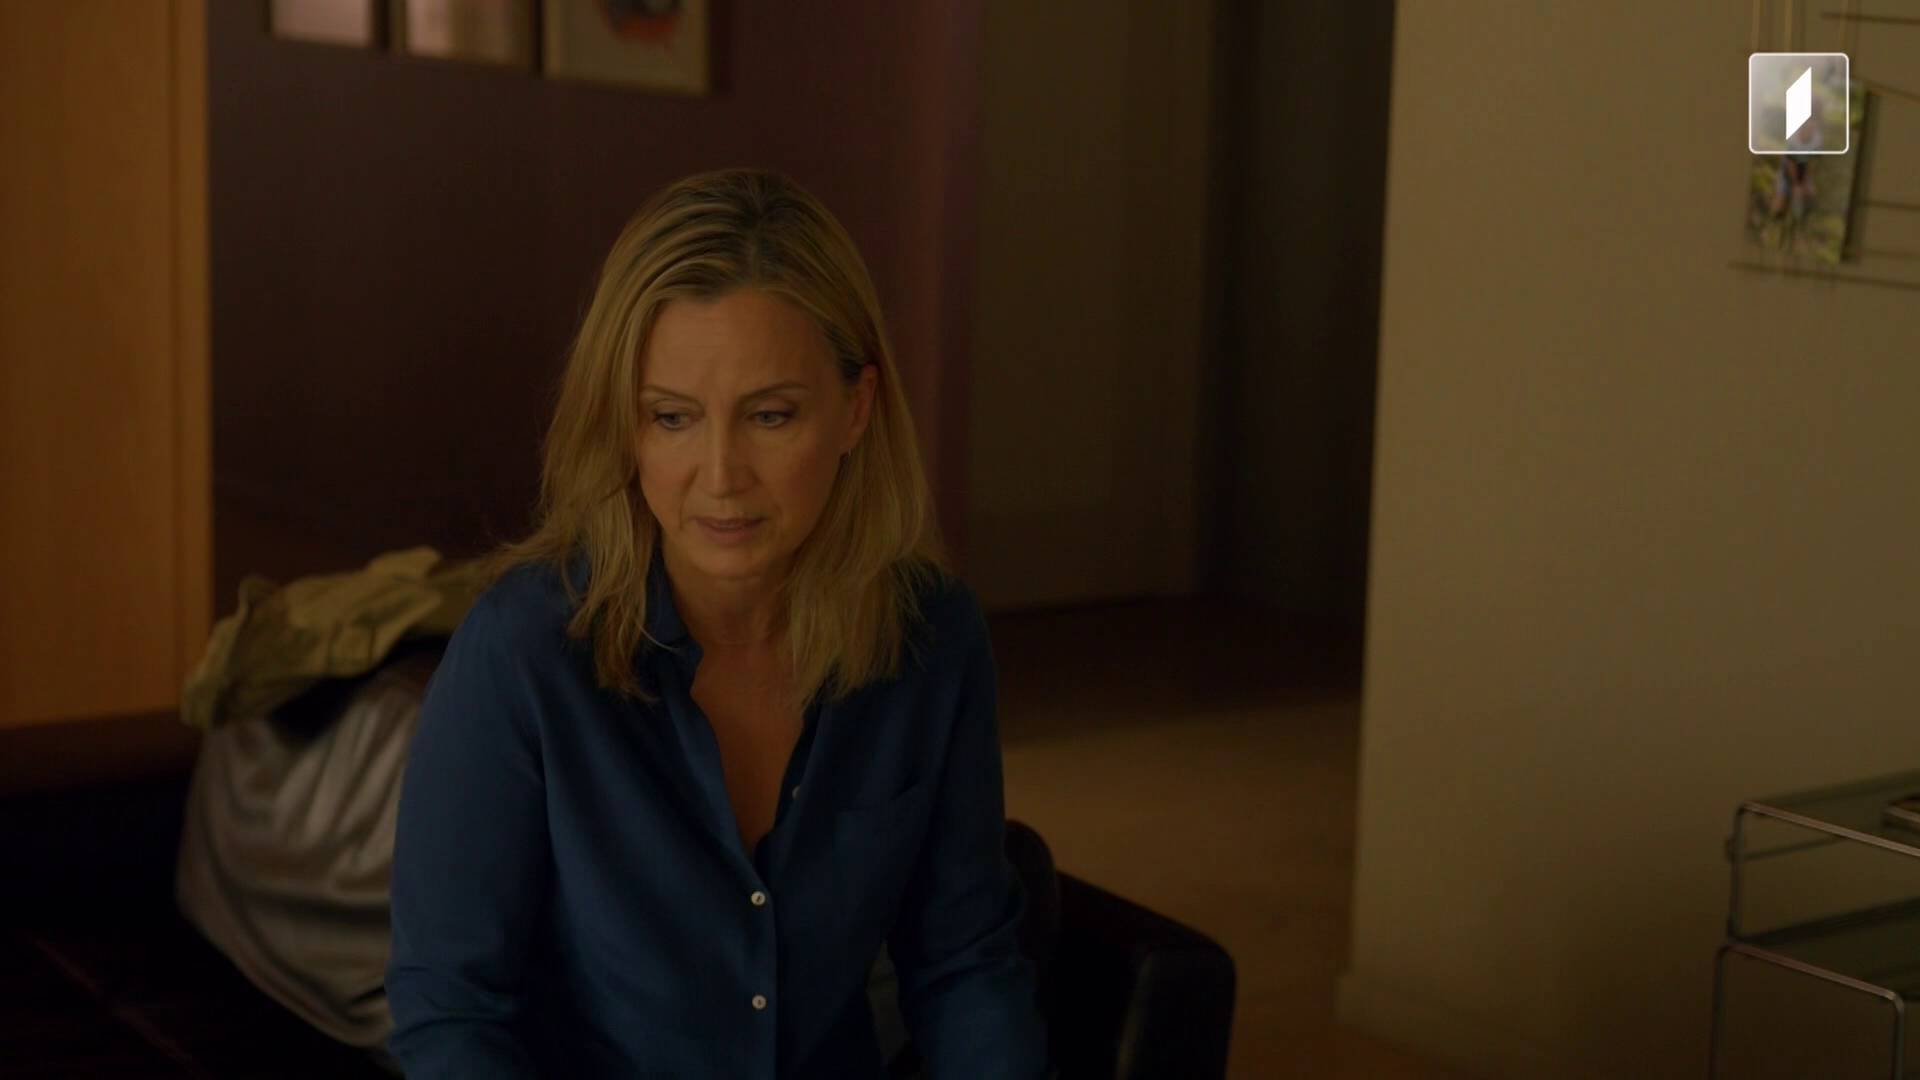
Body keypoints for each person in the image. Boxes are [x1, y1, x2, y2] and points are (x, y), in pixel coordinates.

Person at [384, 168, 1048, 1078]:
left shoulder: (933, 638)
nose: (722, 474)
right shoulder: (523, 653)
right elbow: (451, 1014)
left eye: (771, 415)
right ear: (625, 426)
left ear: (855, 410)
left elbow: (964, 963)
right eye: (673, 418)